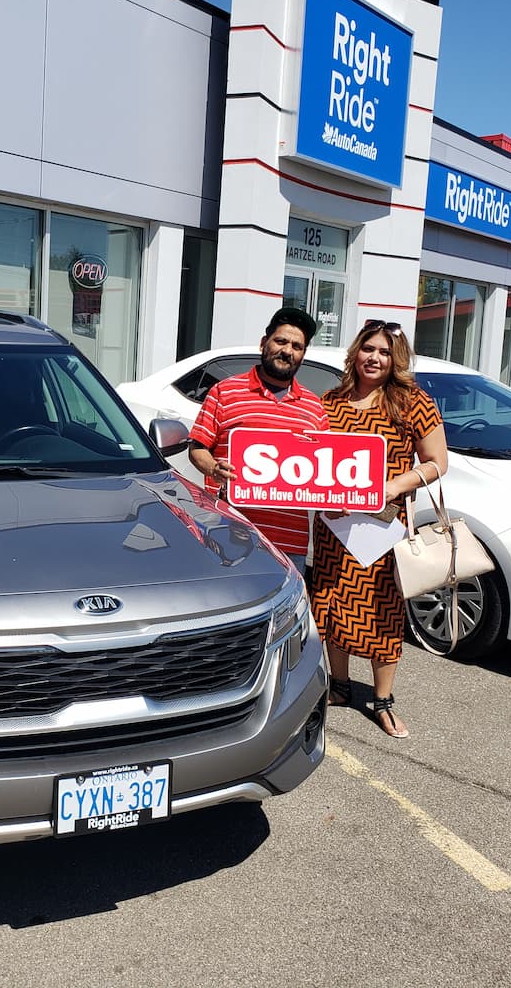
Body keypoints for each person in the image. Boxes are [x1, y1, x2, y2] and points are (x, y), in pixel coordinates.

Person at [310, 318, 449, 739]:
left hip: (384, 528)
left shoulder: (412, 402)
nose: (375, 358)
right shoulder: (329, 401)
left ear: (396, 360)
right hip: (335, 526)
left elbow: (437, 462)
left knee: (382, 613)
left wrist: (393, 484)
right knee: (331, 604)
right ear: (355, 352)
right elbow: (313, 459)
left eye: (385, 352)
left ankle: (384, 701)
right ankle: (339, 685)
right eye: (369, 349)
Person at [187, 306, 330, 577]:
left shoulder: (315, 408)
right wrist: (214, 469)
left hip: (290, 543)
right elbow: (197, 448)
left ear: (303, 355)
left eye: (297, 346)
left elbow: (324, 475)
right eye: (281, 341)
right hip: (228, 532)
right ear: (264, 343)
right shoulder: (225, 391)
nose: (288, 350)